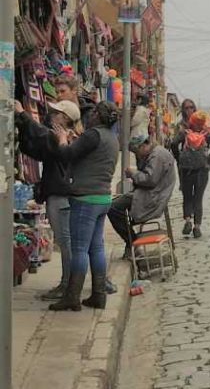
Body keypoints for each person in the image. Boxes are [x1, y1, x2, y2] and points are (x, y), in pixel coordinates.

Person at [47, 102, 120, 311]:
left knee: (79, 249)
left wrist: (62, 140)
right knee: (95, 247)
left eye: (93, 112)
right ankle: (98, 295)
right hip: (103, 199)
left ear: (98, 115)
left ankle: (72, 296)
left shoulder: (92, 135)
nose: (89, 116)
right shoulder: (112, 138)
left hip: (85, 199)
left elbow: (66, 156)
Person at [14, 100, 79, 301]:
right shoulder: (60, 137)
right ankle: (67, 284)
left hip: (61, 197)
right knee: (65, 242)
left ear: (65, 118)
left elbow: (42, 135)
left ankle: (68, 286)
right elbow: (37, 148)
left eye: (56, 112)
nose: (52, 114)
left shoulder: (63, 137)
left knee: (65, 243)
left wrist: (23, 114)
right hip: (56, 195)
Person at [107, 135, 176, 259]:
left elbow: (149, 179)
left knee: (113, 208)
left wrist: (133, 173)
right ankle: (131, 242)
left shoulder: (157, 155)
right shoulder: (155, 153)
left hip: (152, 196)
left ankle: (131, 242)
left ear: (143, 146)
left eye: (137, 152)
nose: (137, 155)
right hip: (149, 193)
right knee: (116, 205)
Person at [171, 111, 210, 239]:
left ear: (191, 121)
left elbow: (173, 144)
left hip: (186, 169)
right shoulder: (206, 134)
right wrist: (208, 159)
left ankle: (188, 220)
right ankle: (197, 227)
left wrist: (179, 157)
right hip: (202, 170)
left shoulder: (184, 132)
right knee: (198, 198)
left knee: (187, 197)